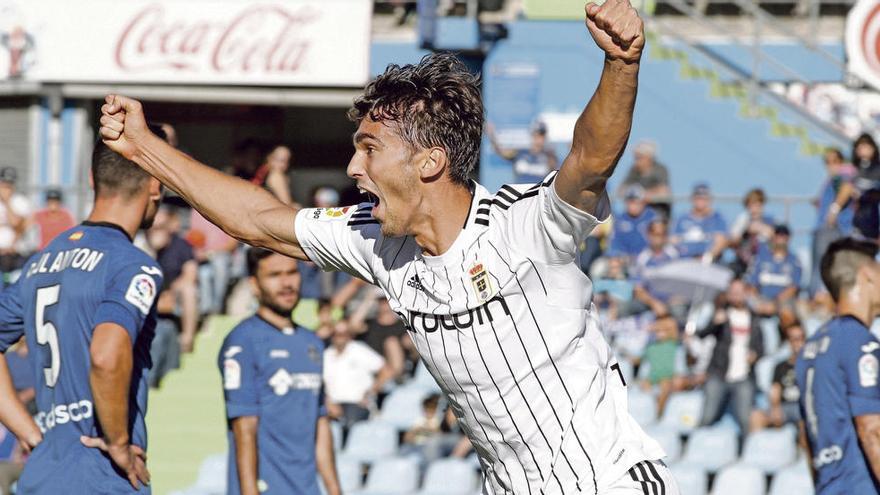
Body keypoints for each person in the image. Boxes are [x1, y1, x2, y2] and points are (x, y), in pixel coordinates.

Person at [98, 2, 678, 491]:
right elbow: (259, 221)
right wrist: (144, 147)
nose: (353, 166)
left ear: (430, 162)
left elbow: (590, 160)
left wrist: (621, 62)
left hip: (610, 479)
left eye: (370, 148)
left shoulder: (525, 226)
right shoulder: (379, 242)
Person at [0, 140, 164, 493]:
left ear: (92, 180)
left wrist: (30, 433)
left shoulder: (41, 262)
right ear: (155, 185)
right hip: (100, 477)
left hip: (42, 476)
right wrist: (118, 444)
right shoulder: (134, 267)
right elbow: (105, 356)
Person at [218, 248, 340, 495]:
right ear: (254, 284)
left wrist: (335, 490)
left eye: (291, 273)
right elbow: (245, 428)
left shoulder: (312, 343)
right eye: (274, 275)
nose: (286, 283)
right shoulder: (242, 342)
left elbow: (320, 424)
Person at [796, 238, 880, 493]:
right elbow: (871, 430)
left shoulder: (811, 346)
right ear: (867, 275)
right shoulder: (859, 340)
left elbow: (805, 437)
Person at [693, 279, 764, 434]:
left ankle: (745, 454)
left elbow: (761, 347)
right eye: (732, 292)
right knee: (707, 417)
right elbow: (702, 334)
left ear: (746, 293)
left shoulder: (754, 318)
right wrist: (715, 323)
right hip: (719, 373)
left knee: (746, 420)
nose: (735, 296)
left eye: (739, 292)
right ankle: (695, 444)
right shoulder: (721, 314)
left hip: (744, 376)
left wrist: (755, 355)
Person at [143, 206, 199, 387]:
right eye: (153, 227)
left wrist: (173, 290)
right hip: (152, 301)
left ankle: (188, 338)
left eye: (161, 226)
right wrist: (152, 249)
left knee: (189, 290)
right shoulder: (143, 246)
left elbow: (190, 275)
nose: (156, 231)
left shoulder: (181, 246)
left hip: (175, 298)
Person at [323, 319, 393, 430]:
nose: (340, 337)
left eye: (343, 334)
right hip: (333, 405)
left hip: (358, 404)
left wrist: (371, 392)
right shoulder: (326, 355)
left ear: (349, 335)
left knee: (350, 422)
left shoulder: (360, 350)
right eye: (336, 334)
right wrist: (328, 403)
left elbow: (386, 371)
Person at [811, 148, 856, 296]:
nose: (831, 165)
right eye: (827, 162)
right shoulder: (832, 179)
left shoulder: (841, 175)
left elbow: (847, 188)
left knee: (824, 266)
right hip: (834, 228)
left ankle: (820, 296)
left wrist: (834, 210)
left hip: (833, 229)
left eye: (835, 161)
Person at [750, 321, 805, 432]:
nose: (797, 343)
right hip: (785, 407)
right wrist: (775, 408)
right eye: (793, 339)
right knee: (756, 417)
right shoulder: (780, 367)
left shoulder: (812, 365)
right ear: (788, 342)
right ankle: (756, 447)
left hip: (803, 407)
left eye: (800, 338)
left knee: (805, 422)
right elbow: (775, 391)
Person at [745, 224, 802, 317]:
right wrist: (758, 302)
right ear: (773, 237)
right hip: (761, 302)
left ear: (789, 239)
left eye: (784, 236)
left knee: (789, 310)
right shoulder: (761, 258)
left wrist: (774, 304)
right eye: (778, 235)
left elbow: (793, 288)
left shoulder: (794, 261)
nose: (781, 239)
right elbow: (751, 285)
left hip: (781, 304)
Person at [487, 121, 559, 184]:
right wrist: (492, 135)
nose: (538, 138)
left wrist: (551, 154)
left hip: (539, 196)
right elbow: (501, 151)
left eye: (541, 135)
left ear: (545, 137)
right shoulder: (520, 152)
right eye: (536, 134)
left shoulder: (549, 156)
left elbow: (556, 175)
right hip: (520, 196)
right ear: (532, 135)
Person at [672, 183, 727, 261]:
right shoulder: (681, 219)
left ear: (710, 200)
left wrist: (707, 257)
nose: (700, 201)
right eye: (698, 198)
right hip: (683, 262)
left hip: (708, 263)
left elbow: (721, 241)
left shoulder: (717, 218)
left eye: (704, 198)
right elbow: (673, 240)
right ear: (692, 199)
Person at [617, 140, 671, 218]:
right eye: (635, 157)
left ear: (649, 157)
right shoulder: (634, 170)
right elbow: (621, 190)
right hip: (636, 216)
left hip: (657, 214)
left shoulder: (660, 169)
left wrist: (641, 196)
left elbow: (664, 192)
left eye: (639, 157)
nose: (636, 160)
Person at [728, 188, 775, 276]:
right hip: (743, 264)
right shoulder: (742, 220)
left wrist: (761, 228)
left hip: (764, 264)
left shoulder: (769, 221)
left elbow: (776, 238)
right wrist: (745, 231)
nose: (754, 209)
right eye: (751, 206)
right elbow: (733, 240)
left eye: (757, 205)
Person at [607, 185, 656, 261]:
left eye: (635, 201)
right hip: (624, 260)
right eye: (629, 201)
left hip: (649, 259)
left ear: (643, 202)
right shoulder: (620, 220)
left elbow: (658, 242)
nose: (632, 205)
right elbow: (614, 243)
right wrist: (621, 256)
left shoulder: (652, 218)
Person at [0, 167, 31, 284]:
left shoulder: (20, 201)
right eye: (4, 183)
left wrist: (7, 202)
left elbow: (17, 224)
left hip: (14, 254)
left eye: (9, 184)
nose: (6, 187)